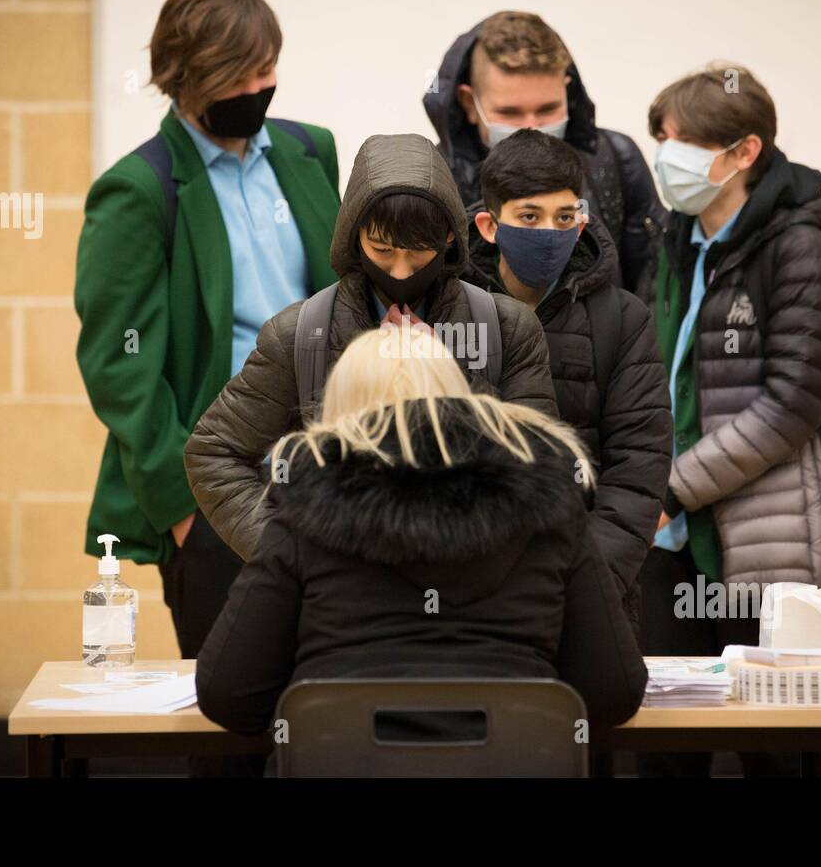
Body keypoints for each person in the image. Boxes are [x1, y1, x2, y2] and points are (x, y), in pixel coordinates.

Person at [74, 0, 340, 774]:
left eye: (269, 68)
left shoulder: (309, 151)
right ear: (184, 79)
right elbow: (118, 369)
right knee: (236, 730)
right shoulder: (139, 189)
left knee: (333, 712)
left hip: (332, 476)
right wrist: (185, 507)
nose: (260, 87)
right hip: (219, 486)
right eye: (239, 75)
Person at [194, 328, 649, 772]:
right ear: (458, 398)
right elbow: (612, 692)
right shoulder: (551, 505)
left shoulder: (301, 511)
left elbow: (230, 696)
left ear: (340, 411)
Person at [184, 132, 559, 561]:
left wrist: (444, 379)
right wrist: (292, 557)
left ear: (451, 238)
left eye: (419, 251)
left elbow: (539, 468)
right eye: (382, 249)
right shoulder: (300, 334)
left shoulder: (506, 328)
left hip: (470, 590)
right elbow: (214, 451)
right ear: (354, 235)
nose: (401, 269)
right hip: (339, 600)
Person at [635, 63, 821, 777]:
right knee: (664, 738)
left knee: (773, 744)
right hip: (669, 537)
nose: (667, 157)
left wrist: (672, 486)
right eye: (663, 139)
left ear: (744, 153)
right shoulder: (675, 239)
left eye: (682, 142)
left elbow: (792, 404)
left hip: (762, 536)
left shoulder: (799, 249)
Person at [462, 128, 672, 644]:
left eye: (564, 218)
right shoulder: (450, 313)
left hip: (589, 598)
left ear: (581, 222)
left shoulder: (623, 320)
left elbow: (638, 472)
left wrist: (583, 585)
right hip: (464, 598)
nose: (549, 232)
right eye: (529, 218)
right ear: (489, 226)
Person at [423, 10, 669, 291]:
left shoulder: (618, 159)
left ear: (567, 90)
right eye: (510, 113)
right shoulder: (433, 178)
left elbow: (654, 283)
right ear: (469, 103)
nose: (532, 127)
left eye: (548, 109)